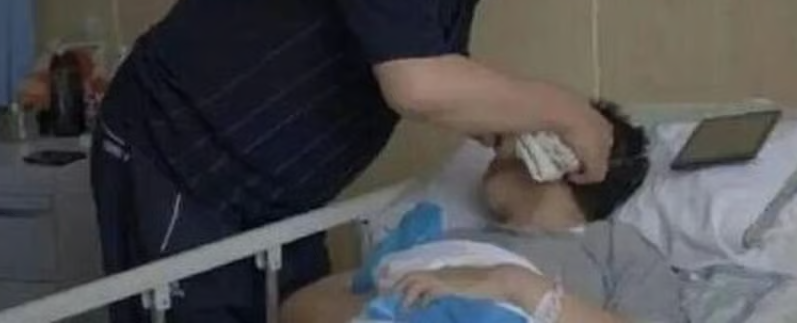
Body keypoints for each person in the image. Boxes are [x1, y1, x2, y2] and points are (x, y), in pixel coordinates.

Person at [90, 0, 635, 323]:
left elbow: (440, 71)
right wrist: (567, 112)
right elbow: (416, 84)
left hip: (280, 200)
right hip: (183, 161)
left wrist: (512, 134)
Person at [280, 101, 684, 323]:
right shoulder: (446, 243)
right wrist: (390, 308)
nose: (495, 149)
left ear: (568, 158)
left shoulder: (614, 250)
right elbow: (297, 310)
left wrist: (517, 287)